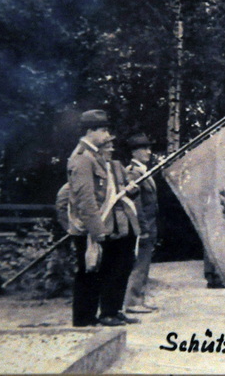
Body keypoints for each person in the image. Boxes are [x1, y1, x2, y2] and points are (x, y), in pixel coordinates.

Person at [66, 110, 140, 327]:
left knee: (107, 269)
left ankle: (107, 313)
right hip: (89, 228)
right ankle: (83, 320)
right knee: (89, 272)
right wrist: (98, 231)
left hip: (101, 224)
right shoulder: (81, 159)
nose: (107, 134)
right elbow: (86, 200)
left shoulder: (95, 156)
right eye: (103, 129)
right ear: (90, 131)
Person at [124, 133, 160, 314]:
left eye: (149, 148)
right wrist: (142, 229)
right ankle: (131, 302)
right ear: (134, 152)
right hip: (142, 226)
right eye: (144, 148)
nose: (148, 151)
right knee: (139, 264)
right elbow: (135, 204)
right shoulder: (133, 172)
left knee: (144, 264)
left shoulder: (144, 171)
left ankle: (140, 298)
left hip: (150, 224)